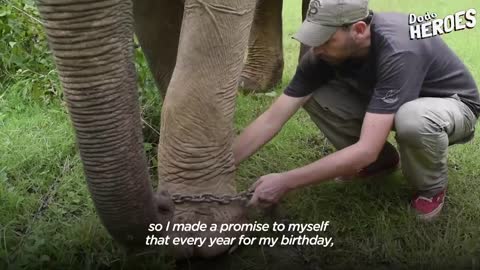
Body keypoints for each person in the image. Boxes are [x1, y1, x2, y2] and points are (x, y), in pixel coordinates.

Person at [233, 0, 479, 220]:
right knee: (313, 95)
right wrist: (216, 167)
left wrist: (285, 182)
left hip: (451, 107)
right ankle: (382, 164)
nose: (316, 49)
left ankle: (431, 188)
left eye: (326, 39)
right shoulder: (324, 54)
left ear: (359, 30)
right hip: (392, 101)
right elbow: (271, 119)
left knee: (412, 119)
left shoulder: (398, 48)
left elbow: (366, 150)